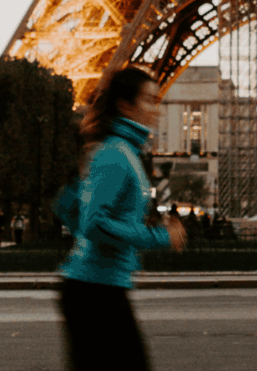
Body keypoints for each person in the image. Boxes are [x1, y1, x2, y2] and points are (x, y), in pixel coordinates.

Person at [54, 66, 187, 371]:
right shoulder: (117, 153)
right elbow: (93, 223)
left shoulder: (120, 150)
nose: (156, 109)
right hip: (94, 294)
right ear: (126, 106)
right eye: (149, 101)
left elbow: (69, 207)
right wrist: (160, 237)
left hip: (97, 289)